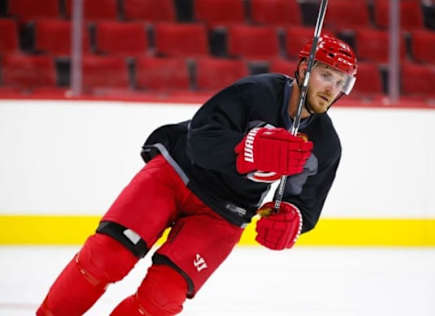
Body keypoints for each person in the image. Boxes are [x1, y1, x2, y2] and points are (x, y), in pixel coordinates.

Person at [37, 33, 358, 316]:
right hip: (176, 174)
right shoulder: (255, 92)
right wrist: (250, 150)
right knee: (106, 258)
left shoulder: (325, 145)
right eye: (326, 75)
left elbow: (304, 200)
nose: (332, 88)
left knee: (162, 298)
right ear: (304, 69)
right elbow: (201, 137)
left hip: (224, 213)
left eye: (341, 82)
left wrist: (291, 216)